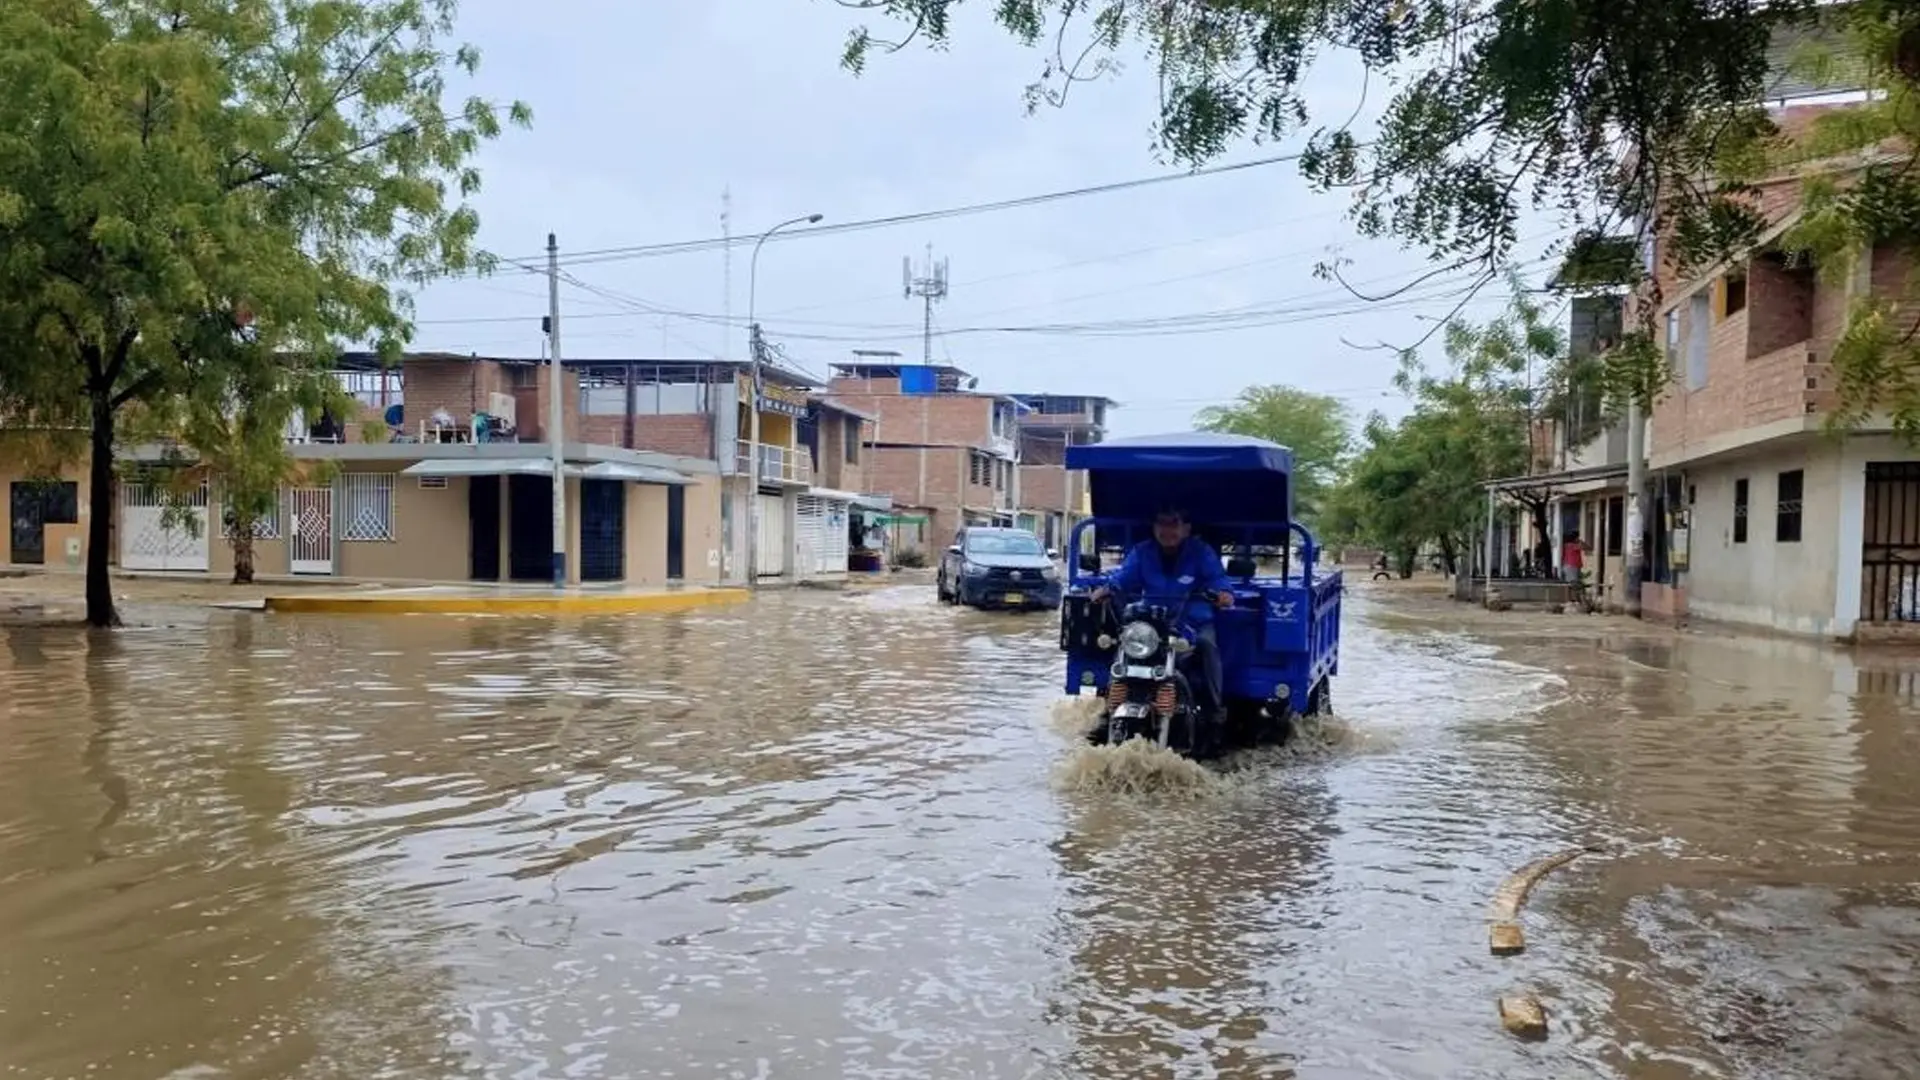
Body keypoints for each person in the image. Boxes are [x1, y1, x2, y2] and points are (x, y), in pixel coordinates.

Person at [1090, 505, 1234, 730]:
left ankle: (1215, 710)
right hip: (1154, 620)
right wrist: (1107, 589)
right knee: (1124, 645)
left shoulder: (1201, 552)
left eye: (1174, 524)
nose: (1167, 531)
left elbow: (1217, 579)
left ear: (1186, 528)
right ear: (1154, 528)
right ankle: (1109, 707)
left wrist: (1223, 595)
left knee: (1208, 645)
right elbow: (1123, 576)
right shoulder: (1142, 552)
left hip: (1193, 622)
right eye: (1162, 524)